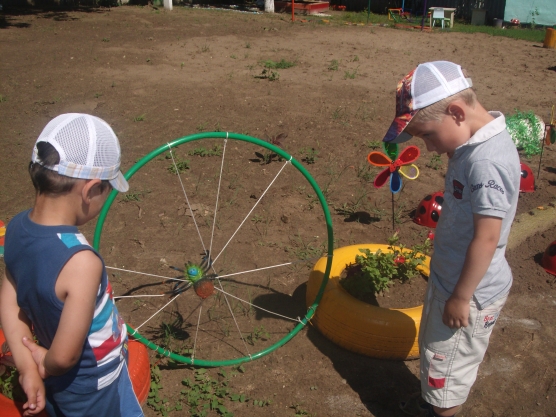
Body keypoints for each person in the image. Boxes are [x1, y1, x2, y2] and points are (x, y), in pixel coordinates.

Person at [382, 61, 520, 417]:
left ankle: (440, 409)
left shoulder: (486, 163)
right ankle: (432, 400)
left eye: (427, 135)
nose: (428, 148)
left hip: (468, 293)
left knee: (448, 373)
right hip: (452, 279)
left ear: (457, 113)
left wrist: (461, 297)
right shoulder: (469, 143)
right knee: (437, 356)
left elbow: (487, 238)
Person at [0, 113, 144, 417]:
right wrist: (45, 363)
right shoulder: (81, 263)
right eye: (107, 191)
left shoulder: (14, 228)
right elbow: (64, 357)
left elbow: (10, 301)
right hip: (93, 385)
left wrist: (27, 368)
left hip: (65, 384)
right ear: (90, 191)